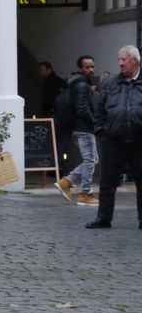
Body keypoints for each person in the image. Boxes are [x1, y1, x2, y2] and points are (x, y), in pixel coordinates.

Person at [86, 45, 142, 229]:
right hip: (112, 139)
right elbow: (99, 108)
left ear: (135, 61)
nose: (120, 63)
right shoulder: (111, 83)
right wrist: (100, 131)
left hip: (138, 140)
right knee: (107, 181)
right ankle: (103, 218)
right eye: (119, 60)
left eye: (124, 60)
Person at [56, 55, 99, 206]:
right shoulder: (81, 85)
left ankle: (66, 182)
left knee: (93, 160)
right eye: (87, 67)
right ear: (81, 68)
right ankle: (85, 193)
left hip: (80, 128)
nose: (91, 70)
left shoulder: (80, 84)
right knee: (90, 160)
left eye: (92, 66)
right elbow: (82, 108)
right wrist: (95, 124)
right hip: (83, 128)